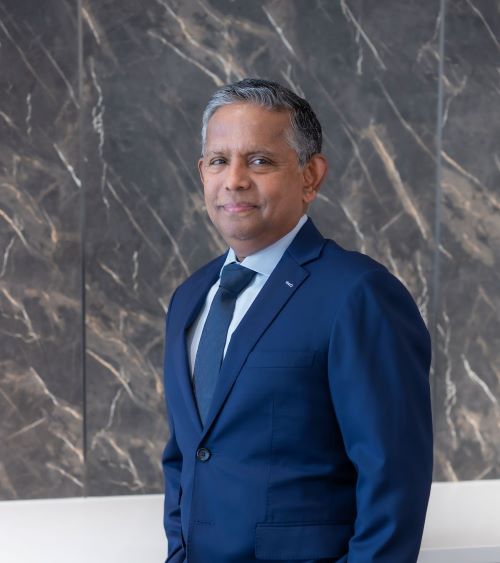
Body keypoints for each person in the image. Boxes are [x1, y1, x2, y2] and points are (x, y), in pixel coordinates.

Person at [161, 78, 433, 563]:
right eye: (219, 161)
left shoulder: (359, 294)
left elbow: (393, 479)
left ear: (311, 177)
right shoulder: (190, 299)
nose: (234, 180)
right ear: (202, 172)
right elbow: (186, 456)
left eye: (259, 161)